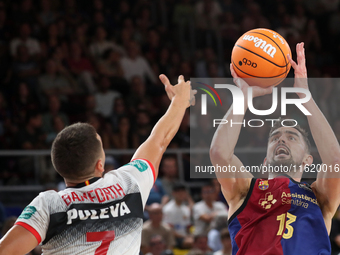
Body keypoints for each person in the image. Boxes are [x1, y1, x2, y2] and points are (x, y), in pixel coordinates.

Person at [0, 74, 196, 255]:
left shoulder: (49, 206)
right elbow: (158, 140)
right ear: (100, 165)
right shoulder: (129, 184)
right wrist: (179, 102)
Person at [210, 43, 339, 254]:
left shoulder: (319, 195)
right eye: (275, 137)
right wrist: (243, 98)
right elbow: (219, 154)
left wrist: (305, 97)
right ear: (265, 160)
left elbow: (335, 161)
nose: (281, 140)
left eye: (291, 137)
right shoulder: (245, 191)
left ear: (308, 160)